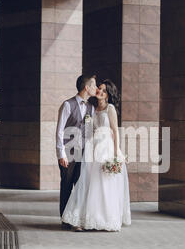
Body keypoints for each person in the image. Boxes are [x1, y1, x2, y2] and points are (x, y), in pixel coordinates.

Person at [61, 79, 131, 232]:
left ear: (108, 95)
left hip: (106, 147)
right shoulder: (92, 109)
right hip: (92, 148)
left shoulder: (110, 108)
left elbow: (115, 131)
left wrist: (115, 153)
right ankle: (86, 218)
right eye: (99, 88)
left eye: (104, 90)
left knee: (104, 183)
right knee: (89, 182)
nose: (100, 91)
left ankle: (105, 219)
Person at [56, 74, 97, 230]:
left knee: (80, 186)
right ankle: (65, 220)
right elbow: (60, 131)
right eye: (94, 85)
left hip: (84, 154)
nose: (96, 88)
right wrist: (61, 154)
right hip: (68, 153)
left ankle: (77, 219)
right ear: (87, 87)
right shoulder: (67, 105)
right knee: (66, 186)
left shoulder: (91, 108)